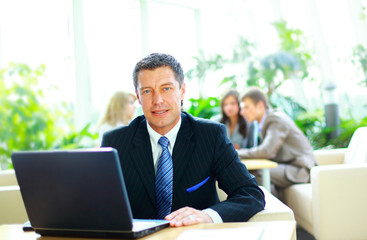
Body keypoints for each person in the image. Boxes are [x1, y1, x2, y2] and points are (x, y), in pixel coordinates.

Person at [101, 53, 265, 227]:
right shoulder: (115, 142)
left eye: (166, 89)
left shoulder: (210, 136)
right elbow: (99, 202)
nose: (158, 100)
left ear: (182, 91)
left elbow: (250, 194)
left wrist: (207, 216)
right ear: (139, 97)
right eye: (147, 91)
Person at [237, 87, 317, 199]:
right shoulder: (261, 123)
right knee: (256, 173)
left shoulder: (275, 119)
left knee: (257, 173)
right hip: (289, 166)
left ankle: (274, 212)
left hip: (300, 169)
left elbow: (267, 151)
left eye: (246, 107)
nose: (242, 112)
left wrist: (236, 153)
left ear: (260, 105)